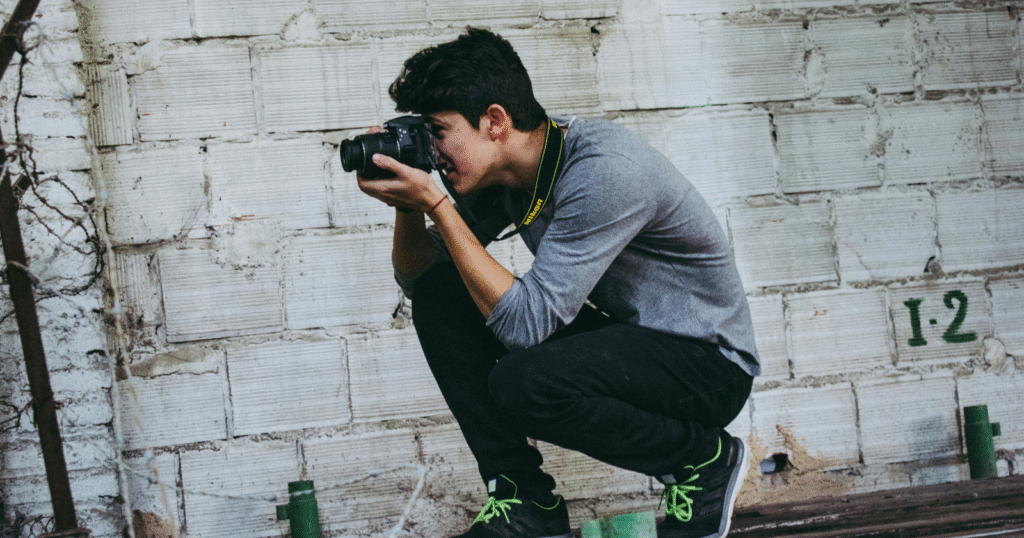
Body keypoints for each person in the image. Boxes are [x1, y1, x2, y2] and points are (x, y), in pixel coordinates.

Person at [357, 27, 760, 538]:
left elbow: (526, 327)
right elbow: (419, 277)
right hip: (637, 345)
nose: (434, 153)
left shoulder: (603, 171)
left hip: (708, 366)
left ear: (495, 121)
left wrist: (435, 203)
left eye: (438, 133)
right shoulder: (508, 174)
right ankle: (524, 501)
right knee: (442, 295)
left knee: (527, 383)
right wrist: (406, 206)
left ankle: (704, 461)